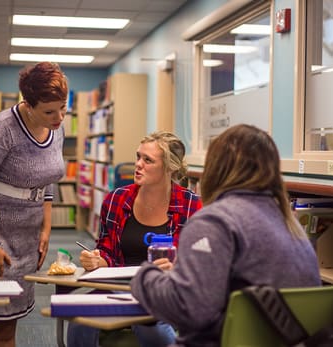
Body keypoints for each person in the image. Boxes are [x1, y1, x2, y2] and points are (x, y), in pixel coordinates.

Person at [130, 124, 322, 347]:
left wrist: (146, 276)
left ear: (215, 167)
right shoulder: (291, 225)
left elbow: (187, 310)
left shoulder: (213, 222)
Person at [0, 61, 69, 347]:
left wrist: (46, 228)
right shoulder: (0, 131)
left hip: (26, 238)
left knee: (8, 327)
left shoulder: (55, 128)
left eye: (63, 108)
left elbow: (48, 177)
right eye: (49, 111)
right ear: (28, 105)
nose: (59, 117)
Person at [67, 131, 203, 347]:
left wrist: (177, 266)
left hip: (163, 291)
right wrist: (98, 259)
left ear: (171, 167)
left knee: (150, 327)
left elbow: (199, 263)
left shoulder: (192, 206)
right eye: (138, 156)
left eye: (148, 160)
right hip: (117, 289)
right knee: (80, 320)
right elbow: (107, 251)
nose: (138, 164)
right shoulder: (116, 199)